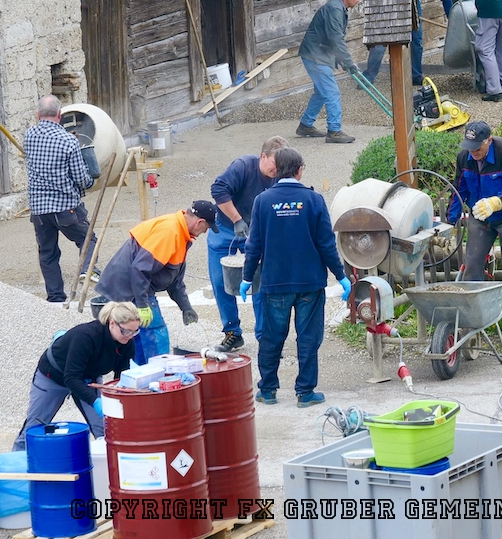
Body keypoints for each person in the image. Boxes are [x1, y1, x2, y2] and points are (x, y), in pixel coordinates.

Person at [239, 147, 351, 407]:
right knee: (309, 337)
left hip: (275, 282)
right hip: (310, 282)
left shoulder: (263, 201)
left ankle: (268, 390)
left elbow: (253, 245)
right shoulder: (314, 200)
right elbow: (326, 243)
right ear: (299, 170)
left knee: (271, 337)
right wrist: (341, 275)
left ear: (277, 170)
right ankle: (305, 392)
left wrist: (247, 277)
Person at [12, 301, 146, 450]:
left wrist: (120, 397)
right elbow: (71, 378)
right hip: (54, 376)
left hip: (89, 377)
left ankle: (113, 461)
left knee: (106, 428)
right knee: (33, 428)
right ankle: (15, 460)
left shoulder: (127, 342)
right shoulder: (86, 336)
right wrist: (95, 401)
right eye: (126, 331)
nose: (130, 336)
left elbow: (121, 377)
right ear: (112, 323)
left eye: (135, 332)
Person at [96, 200, 218, 357]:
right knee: (155, 335)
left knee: (137, 338)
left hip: (136, 283)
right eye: (206, 227)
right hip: (129, 287)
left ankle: (140, 369)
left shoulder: (180, 233)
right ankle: (158, 370)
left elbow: (174, 280)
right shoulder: (169, 232)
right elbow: (140, 269)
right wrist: (142, 305)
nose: (205, 232)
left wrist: (186, 307)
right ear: (199, 222)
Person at [447, 121, 502, 340]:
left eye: (477, 147)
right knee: (472, 267)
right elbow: (459, 191)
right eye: (469, 147)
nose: (472, 152)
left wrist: (497, 202)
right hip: (480, 217)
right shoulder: (465, 157)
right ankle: (473, 321)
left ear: (488, 141)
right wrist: (450, 221)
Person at [208, 136, 289, 352]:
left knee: (261, 283)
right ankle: (232, 332)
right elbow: (218, 190)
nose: (277, 170)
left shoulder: (280, 176)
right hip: (225, 228)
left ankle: (265, 336)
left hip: (257, 233)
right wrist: (237, 219)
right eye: (275, 164)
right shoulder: (243, 166)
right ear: (263, 156)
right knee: (220, 282)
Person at [24, 95, 97, 302]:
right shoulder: (68, 141)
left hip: (39, 209)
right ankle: (87, 270)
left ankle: (55, 297)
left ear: (38, 115)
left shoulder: (29, 135)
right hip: (65, 206)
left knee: (47, 253)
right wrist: (90, 181)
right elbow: (80, 178)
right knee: (88, 239)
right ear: (59, 114)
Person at [363, 0, 454, 86]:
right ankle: (368, 77)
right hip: (392, 2)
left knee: (417, 40)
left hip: (413, 3)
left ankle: (415, 75)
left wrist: (452, 18)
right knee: (381, 42)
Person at [296, 0, 363, 144]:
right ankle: (334, 131)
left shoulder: (338, 7)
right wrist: (349, 62)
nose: (359, 0)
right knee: (332, 92)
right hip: (315, 55)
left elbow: (333, 38)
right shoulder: (335, 9)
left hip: (318, 53)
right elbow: (336, 39)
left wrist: (341, 59)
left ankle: (305, 124)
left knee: (321, 92)